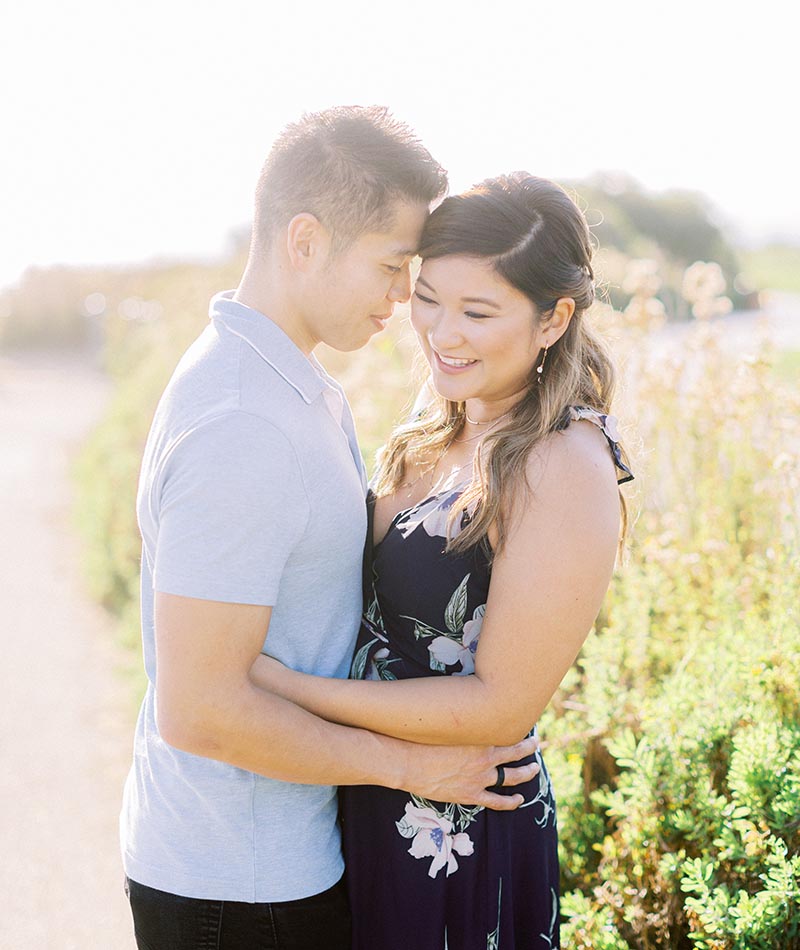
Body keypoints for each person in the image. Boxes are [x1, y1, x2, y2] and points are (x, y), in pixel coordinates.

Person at [120, 109, 540, 950]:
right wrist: (410, 766)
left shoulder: (288, 384)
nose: (402, 300)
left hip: (273, 860)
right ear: (304, 241)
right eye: (391, 267)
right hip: (237, 888)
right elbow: (199, 709)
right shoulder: (242, 422)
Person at [251, 172, 635, 948]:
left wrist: (287, 688)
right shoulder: (436, 425)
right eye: (429, 297)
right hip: (362, 801)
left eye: (478, 312)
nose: (441, 333)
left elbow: (500, 706)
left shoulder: (565, 465)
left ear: (555, 318)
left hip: (457, 829)